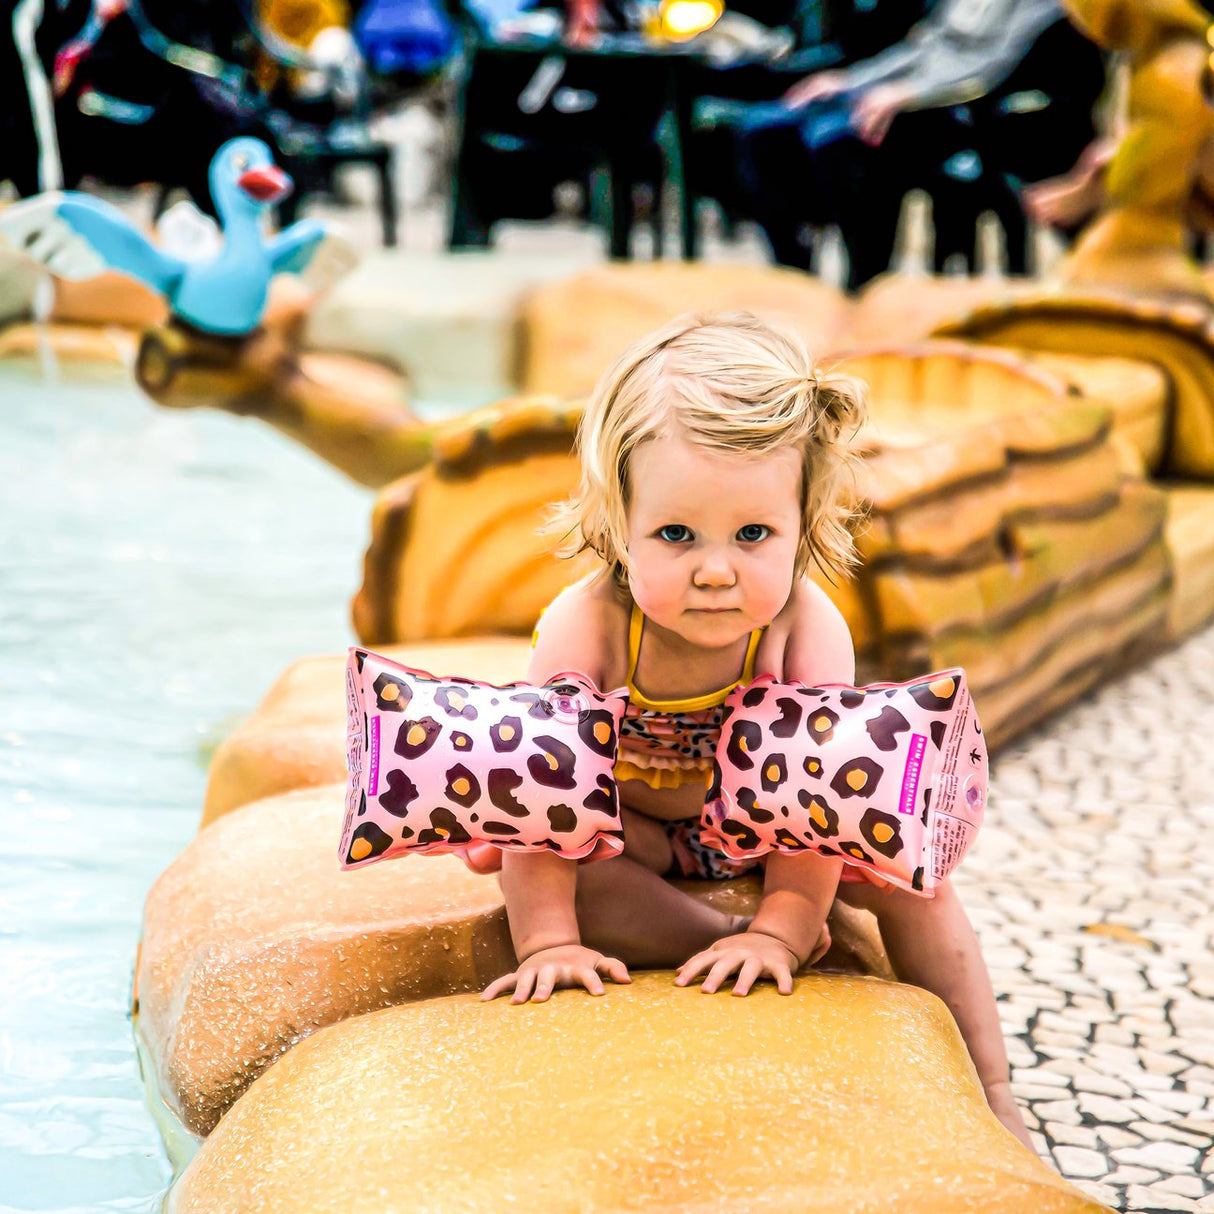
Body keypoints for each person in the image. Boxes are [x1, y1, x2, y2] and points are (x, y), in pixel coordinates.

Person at [480, 312, 1036, 1154]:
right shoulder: (587, 627)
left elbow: (818, 806)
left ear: (804, 522)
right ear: (617, 520)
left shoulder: (803, 630)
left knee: (912, 883)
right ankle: (717, 940)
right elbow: (538, 805)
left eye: (753, 536)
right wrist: (548, 944)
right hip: (642, 837)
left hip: (774, 834)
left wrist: (789, 910)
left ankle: (993, 1091)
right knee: (574, 876)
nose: (714, 568)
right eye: (675, 535)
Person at [738, 0, 1077, 285]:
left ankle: (863, 280)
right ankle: (795, 265)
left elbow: (995, 65)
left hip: (961, 109)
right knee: (762, 128)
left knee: (834, 139)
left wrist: (908, 94)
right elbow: (926, 46)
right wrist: (851, 80)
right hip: (907, 89)